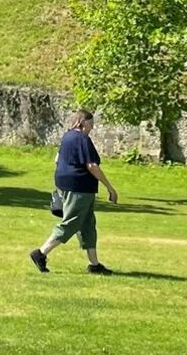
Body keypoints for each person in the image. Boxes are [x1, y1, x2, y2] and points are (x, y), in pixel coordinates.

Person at [30, 109, 119, 276]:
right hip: (79, 187)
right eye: (91, 124)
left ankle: (94, 264)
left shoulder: (67, 137)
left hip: (66, 184)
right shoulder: (82, 139)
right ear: (83, 122)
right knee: (71, 222)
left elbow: (57, 160)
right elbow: (92, 166)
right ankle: (40, 253)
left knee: (87, 224)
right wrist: (109, 187)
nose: (91, 128)